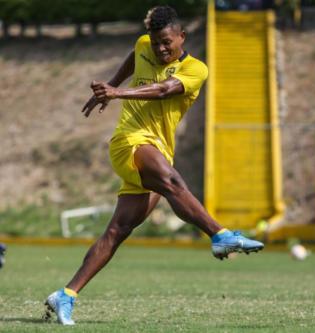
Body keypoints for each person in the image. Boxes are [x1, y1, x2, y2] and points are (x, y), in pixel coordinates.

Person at [44, 6, 264, 326]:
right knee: (172, 181)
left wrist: (117, 91)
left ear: (181, 37)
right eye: (156, 42)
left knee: (118, 231)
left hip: (159, 149)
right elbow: (135, 56)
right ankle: (220, 236)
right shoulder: (143, 44)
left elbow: (164, 91)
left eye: (166, 42)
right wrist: (112, 84)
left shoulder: (196, 70)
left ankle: (66, 294)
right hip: (129, 142)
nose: (160, 48)